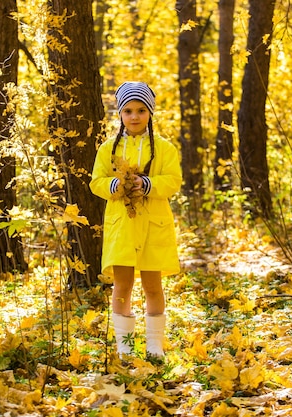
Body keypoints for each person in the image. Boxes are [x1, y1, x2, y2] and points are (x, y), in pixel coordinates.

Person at [90, 81, 182, 361]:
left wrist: (149, 184)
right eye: (128, 110)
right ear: (120, 113)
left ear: (150, 113)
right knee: (123, 286)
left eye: (141, 110)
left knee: (153, 286)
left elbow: (173, 181)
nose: (134, 116)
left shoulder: (165, 149)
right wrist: (115, 186)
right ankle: (125, 346)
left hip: (154, 224)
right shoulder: (108, 148)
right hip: (123, 226)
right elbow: (97, 182)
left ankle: (154, 346)